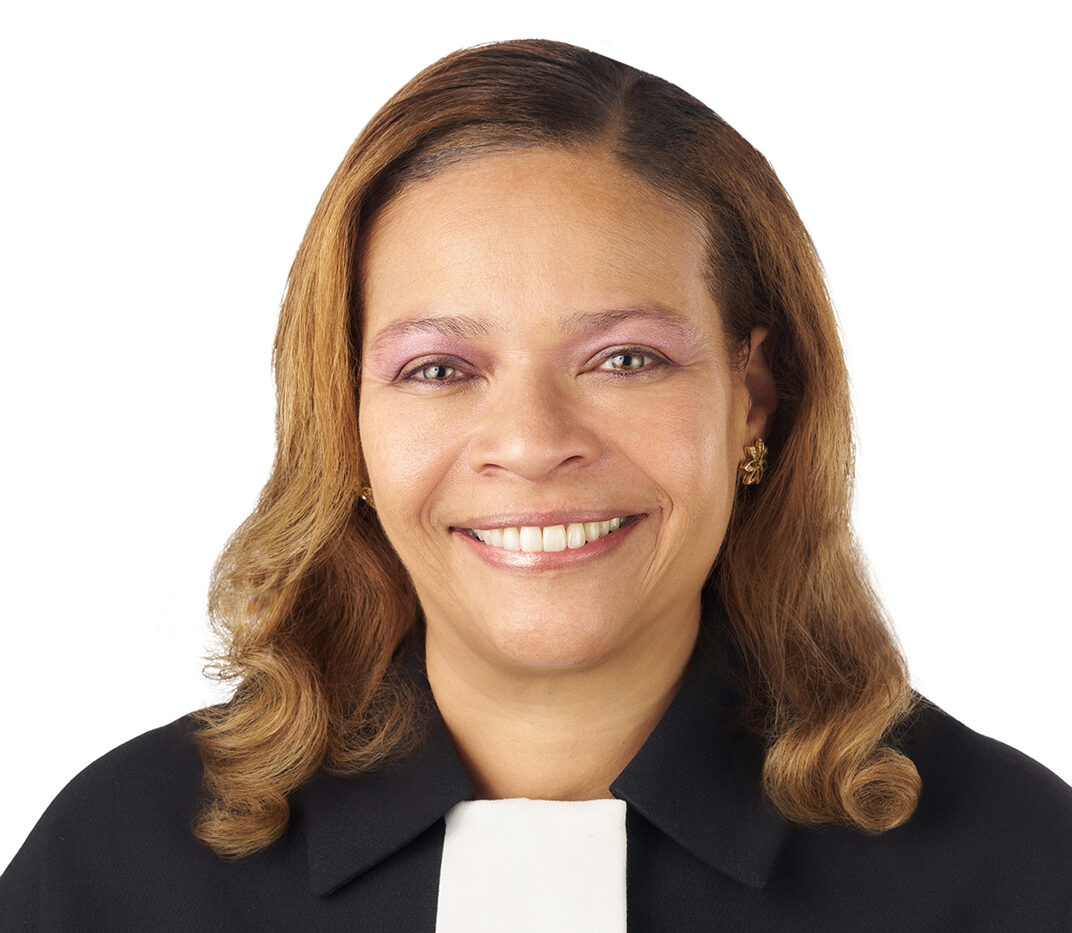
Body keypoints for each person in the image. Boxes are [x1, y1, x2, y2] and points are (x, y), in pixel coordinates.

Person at [2, 38, 1070, 931]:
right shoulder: (119, 870)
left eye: (624, 359)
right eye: (438, 370)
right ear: (348, 421)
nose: (528, 441)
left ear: (754, 398)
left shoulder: (1013, 871)